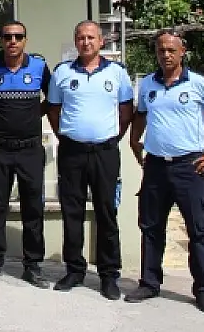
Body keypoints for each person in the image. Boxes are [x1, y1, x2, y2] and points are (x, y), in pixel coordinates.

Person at [125, 30, 204, 313]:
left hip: (191, 167)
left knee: (198, 230)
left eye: (171, 50)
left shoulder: (198, 84)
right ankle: (149, 283)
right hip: (157, 167)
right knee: (151, 228)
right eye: (161, 50)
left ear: (182, 52)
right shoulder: (148, 84)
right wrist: (135, 143)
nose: (166, 55)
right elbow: (140, 116)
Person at [46, 20, 134, 299]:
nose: (86, 42)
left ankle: (109, 275)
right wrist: (69, 136)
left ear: (101, 41)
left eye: (91, 37)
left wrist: (110, 139)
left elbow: (125, 111)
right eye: (81, 38)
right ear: (75, 41)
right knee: (72, 213)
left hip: (105, 153)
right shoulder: (62, 73)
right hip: (72, 153)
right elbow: (53, 110)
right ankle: (74, 269)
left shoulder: (117, 73)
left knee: (106, 212)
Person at [0, 20, 51, 288]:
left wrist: (32, 115)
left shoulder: (40, 67)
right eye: (8, 37)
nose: (13, 41)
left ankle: (33, 266)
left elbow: (51, 100)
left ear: (25, 40)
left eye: (18, 36)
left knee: (33, 209)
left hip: (30, 148)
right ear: (1, 40)